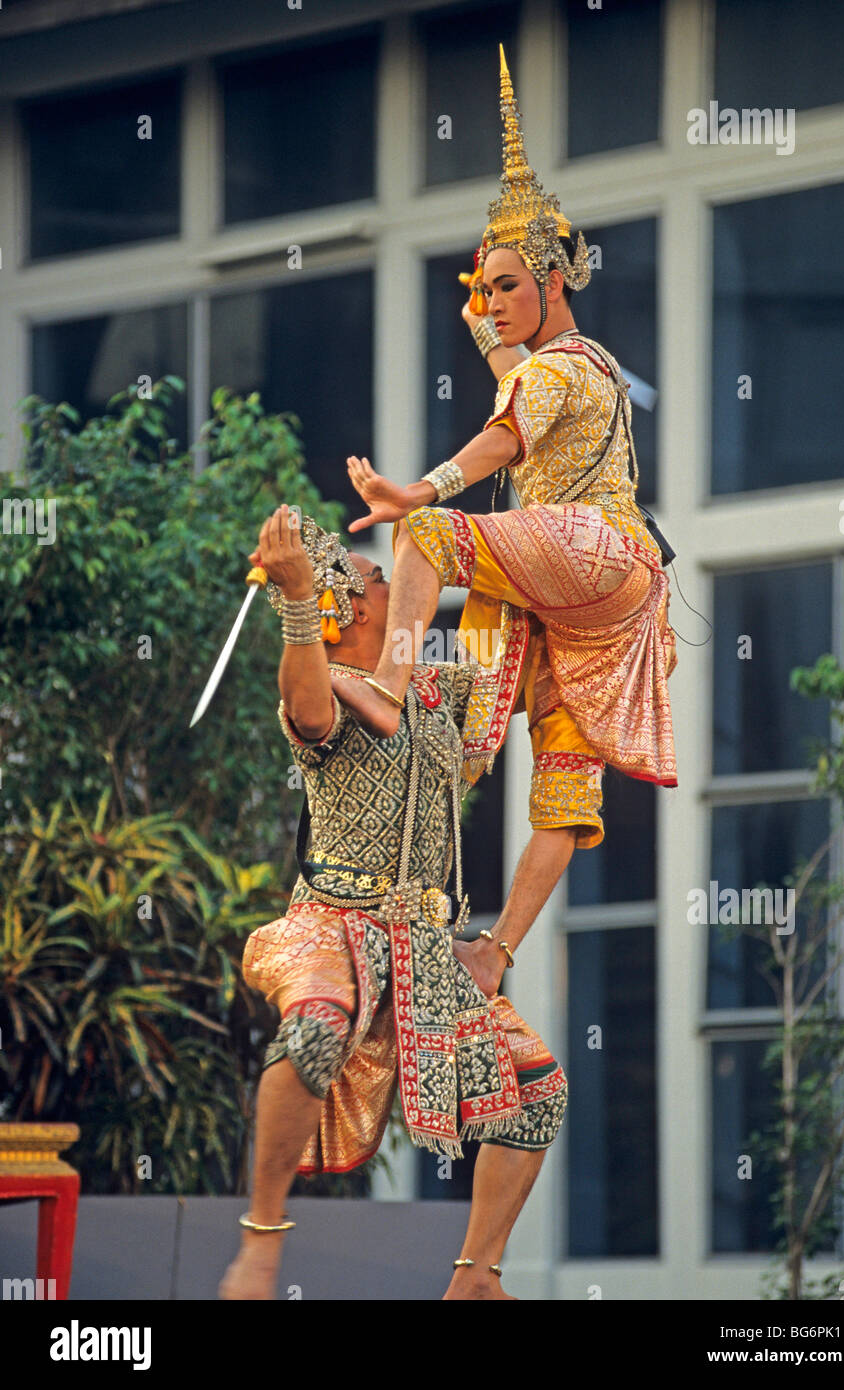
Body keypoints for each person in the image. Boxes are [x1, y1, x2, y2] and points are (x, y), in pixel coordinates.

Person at [331, 45, 679, 946]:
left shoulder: (566, 366)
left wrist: (416, 493)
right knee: (565, 782)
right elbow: (514, 387)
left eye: (509, 286)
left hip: (590, 550)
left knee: (431, 541)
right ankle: (499, 949)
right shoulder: (570, 371)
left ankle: (389, 685)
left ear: (556, 281)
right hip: (609, 598)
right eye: (483, 289)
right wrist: (489, 329)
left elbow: (504, 433)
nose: (493, 302)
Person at [218, 505, 568, 1301]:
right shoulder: (327, 684)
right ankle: (263, 1239)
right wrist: (300, 598)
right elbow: (307, 709)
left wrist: (584, 583)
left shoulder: (432, 691)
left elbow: (533, 673)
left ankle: (475, 1278)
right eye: (382, 579)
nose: (401, 587)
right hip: (332, 923)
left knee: (536, 1091)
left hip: (422, 942)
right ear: (348, 610)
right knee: (314, 1029)